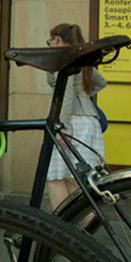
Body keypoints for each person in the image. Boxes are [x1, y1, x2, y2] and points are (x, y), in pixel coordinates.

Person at [45, 23, 108, 210]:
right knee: (77, 179)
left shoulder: (65, 58)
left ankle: (62, 224)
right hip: (89, 121)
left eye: (50, 41)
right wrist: (84, 96)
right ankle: (86, 223)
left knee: (56, 178)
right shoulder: (82, 58)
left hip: (71, 120)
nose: (49, 45)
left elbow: (66, 93)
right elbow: (101, 82)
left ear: (57, 39)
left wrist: (62, 126)